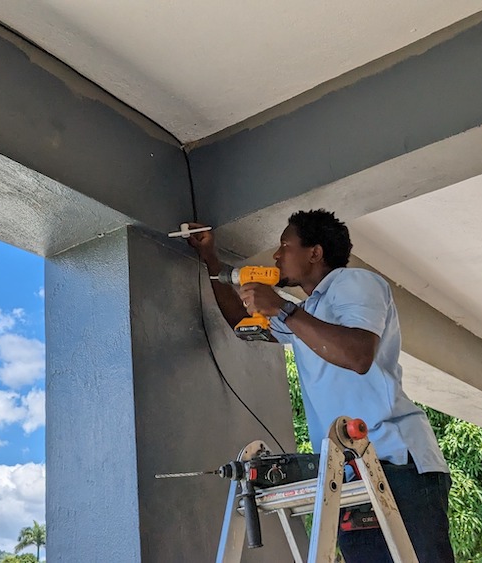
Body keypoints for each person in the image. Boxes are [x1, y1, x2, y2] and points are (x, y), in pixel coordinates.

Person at [187, 209, 454, 562]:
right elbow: (242, 324)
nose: (277, 256)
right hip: (347, 472)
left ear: (315, 253)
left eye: (285, 245)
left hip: (396, 463)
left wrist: (282, 308)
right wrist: (209, 259)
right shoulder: (307, 311)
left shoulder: (355, 283)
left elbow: (358, 355)